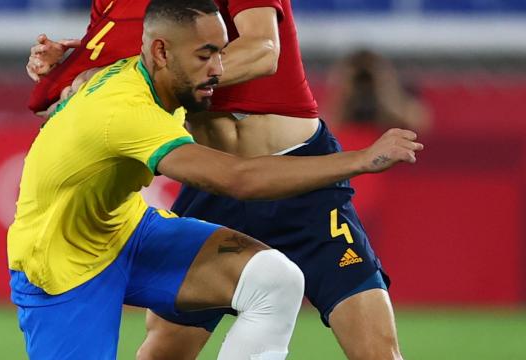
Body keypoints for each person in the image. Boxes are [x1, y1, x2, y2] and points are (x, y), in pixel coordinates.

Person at [24, 1, 423, 359]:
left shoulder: (178, 54)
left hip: (301, 179)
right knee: (166, 349)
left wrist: (182, 70)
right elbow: (84, 94)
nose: (212, 65)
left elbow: (262, 50)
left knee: (376, 350)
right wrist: (63, 69)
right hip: (213, 182)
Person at [326, 49, 431, 133]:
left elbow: (420, 125)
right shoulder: (344, 101)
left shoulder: (398, 99)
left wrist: (385, 88)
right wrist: (345, 92)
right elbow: (330, 126)